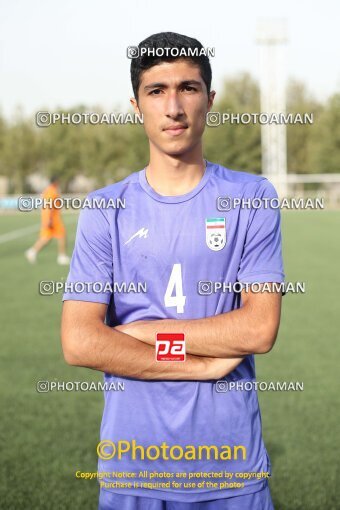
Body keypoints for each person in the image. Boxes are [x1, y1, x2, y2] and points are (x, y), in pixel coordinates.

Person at [61, 32, 284, 510]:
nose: (174, 107)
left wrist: (142, 332)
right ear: (136, 105)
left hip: (231, 467)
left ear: (210, 99)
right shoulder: (105, 209)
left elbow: (260, 328)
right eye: (156, 91)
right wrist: (199, 364)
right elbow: (80, 341)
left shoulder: (252, 197)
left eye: (188, 87)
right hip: (133, 466)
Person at [25, 175, 70, 265]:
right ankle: (62, 256)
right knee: (61, 235)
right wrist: (49, 219)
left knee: (46, 238)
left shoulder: (50, 190)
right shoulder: (51, 191)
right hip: (52, 218)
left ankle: (32, 252)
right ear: (56, 181)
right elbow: (48, 205)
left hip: (51, 218)